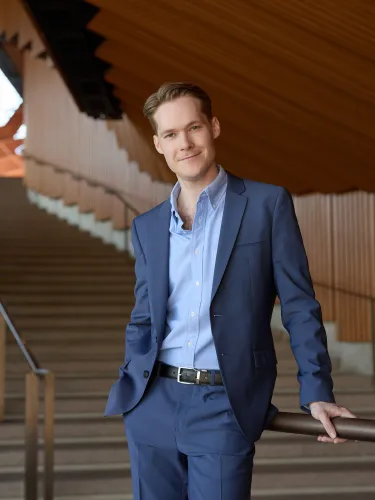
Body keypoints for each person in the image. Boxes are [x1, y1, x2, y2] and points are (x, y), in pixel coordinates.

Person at [105, 82, 356, 499]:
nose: (184, 143)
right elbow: (145, 315)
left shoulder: (266, 204)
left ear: (214, 127)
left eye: (193, 128)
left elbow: (298, 305)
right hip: (152, 403)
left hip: (223, 404)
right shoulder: (147, 226)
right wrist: (133, 380)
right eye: (170, 134)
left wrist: (317, 390)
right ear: (158, 145)